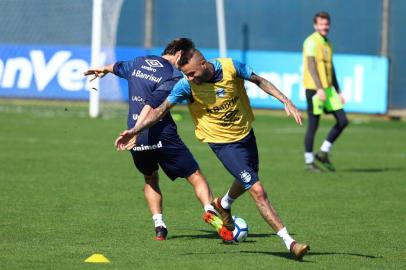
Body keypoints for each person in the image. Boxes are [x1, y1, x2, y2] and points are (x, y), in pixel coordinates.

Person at [115, 46, 310, 259]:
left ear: (203, 63)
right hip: (222, 144)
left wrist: (285, 100)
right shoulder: (185, 86)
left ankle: (223, 203)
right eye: (185, 74)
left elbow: (259, 80)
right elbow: (159, 111)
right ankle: (290, 243)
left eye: (191, 73)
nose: (189, 78)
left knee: (250, 175)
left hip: (245, 134)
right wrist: (134, 131)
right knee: (257, 189)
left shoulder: (231, 67)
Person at [83, 38, 232, 241]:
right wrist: (136, 131)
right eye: (187, 57)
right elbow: (152, 106)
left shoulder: (137, 62)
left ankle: (159, 227)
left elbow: (117, 67)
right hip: (159, 133)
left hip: (135, 138)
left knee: (150, 178)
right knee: (195, 175)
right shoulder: (172, 75)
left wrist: (103, 69)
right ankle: (209, 209)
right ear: (179, 54)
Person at [302, 11, 349, 172]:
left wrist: (339, 91)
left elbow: (331, 68)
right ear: (315, 25)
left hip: (328, 90)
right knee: (313, 125)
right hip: (314, 90)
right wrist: (319, 88)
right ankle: (309, 162)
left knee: (343, 121)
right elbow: (311, 66)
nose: (325, 26)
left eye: (326, 23)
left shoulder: (328, 43)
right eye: (321, 24)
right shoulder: (311, 42)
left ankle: (323, 152)